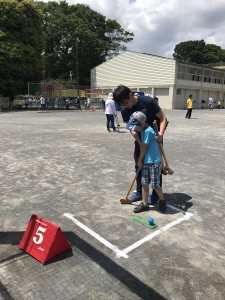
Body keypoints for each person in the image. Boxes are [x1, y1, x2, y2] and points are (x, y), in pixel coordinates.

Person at [113, 85, 168, 204]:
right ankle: (139, 192)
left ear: (130, 95)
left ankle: (155, 194)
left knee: (155, 167)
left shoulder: (148, 102)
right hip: (140, 140)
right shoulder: (124, 110)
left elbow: (163, 119)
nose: (124, 106)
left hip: (155, 140)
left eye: (125, 102)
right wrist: (139, 142)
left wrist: (161, 134)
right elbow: (131, 128)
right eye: (121, 104)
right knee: (139, 164)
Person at [126, 111, 166, 213]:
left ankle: (162, 201)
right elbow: (135, 133)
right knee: (144, 183)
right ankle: (144, 204)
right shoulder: (143, 130)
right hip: (147, 161)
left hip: (154, 162)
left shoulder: (148, 131)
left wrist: (139, 160)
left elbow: (144, 147)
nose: (135, 129)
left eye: (136, 126)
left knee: (156, 185)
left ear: (143, 123)